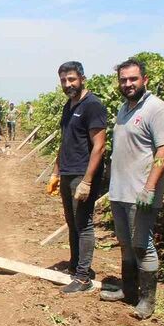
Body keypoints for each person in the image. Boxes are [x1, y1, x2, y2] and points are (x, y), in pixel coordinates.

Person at [100, 59, 164, 319]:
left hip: (141, 194)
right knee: (125, 243)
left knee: (142, 244)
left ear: (145, 79)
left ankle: (147, 300)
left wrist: (150, 187)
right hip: (119, 191)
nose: (128, 84)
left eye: (133, 79)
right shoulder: (123, 109)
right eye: (123, 80)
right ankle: (128, 290)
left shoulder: (156, 109)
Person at [46, 61, 107, 293]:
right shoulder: (69, 105)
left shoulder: (93, 105)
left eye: (71, 79)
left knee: (83, 224)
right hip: (68, 173)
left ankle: (83, 278)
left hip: (82, 174)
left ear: (82, 78)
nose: (67, 84)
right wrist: (55, 172)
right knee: (72, 222)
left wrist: (87, 181)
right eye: (63, 80)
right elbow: (65, 142)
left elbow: (99, 147)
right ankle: (75, 267)